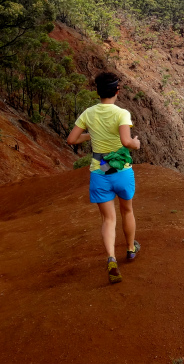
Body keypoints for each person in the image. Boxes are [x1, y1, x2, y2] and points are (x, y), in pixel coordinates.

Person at [67, 72, 141, 284]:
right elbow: (126, 142)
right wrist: (136, 143)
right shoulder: (122, 114)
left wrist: (92, 133)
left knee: (108, 219)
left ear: (97, 91)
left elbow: (72, 139)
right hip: (122, 171)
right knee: (127, 210)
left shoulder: (88, 114)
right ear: (117, 91)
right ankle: (130, 249)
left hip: (99, 173)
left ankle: (111, 258)